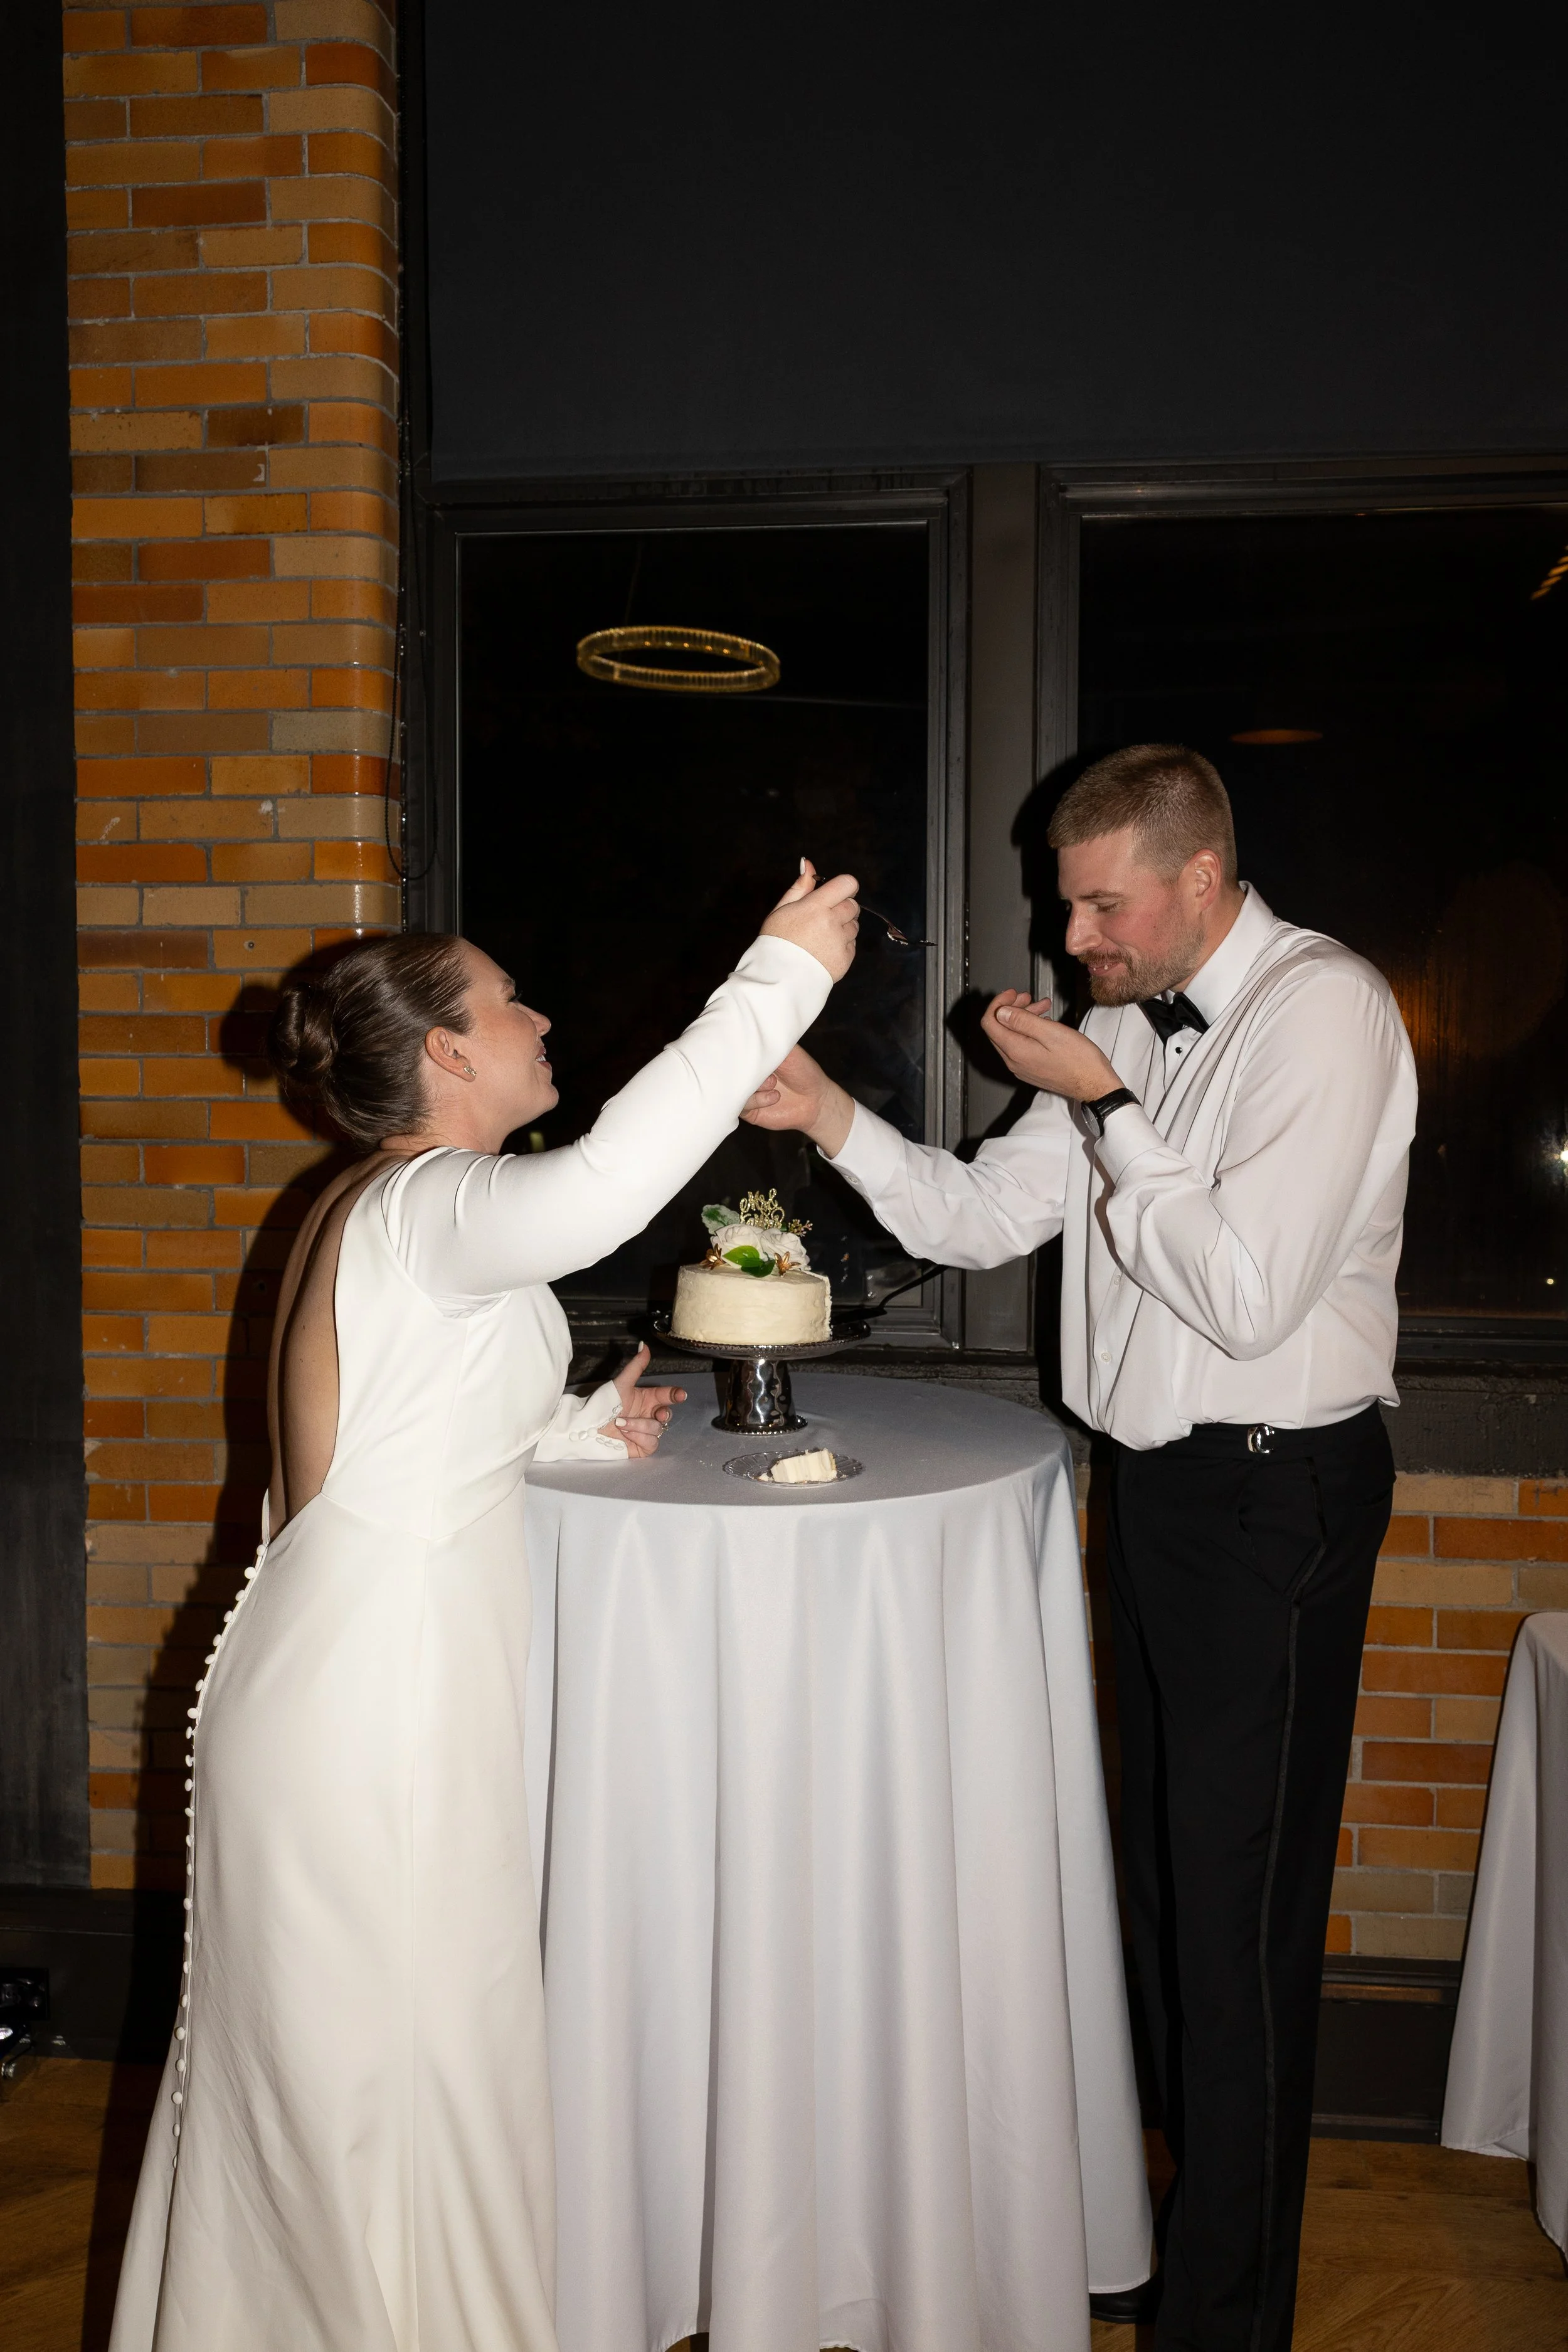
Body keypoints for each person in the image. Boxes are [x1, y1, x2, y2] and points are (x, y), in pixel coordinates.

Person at [107, 864, 860, 2352]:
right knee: (389, 2092)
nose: (540, 1015)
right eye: (508, 1000)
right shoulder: (433, 1202)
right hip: (371, 1708)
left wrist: (564, 1434)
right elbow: (604, 1189)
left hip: (357, 1679)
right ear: (446, 1053)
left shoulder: (382, 1209)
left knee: (385, 2088)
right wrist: (775, 976)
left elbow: (379, 1445)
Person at [743, 746, 1417, 2352]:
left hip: (1278, 1489)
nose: (1075, 937)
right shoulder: (1118, 1021)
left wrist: (1107, 1108)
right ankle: (1165, 2239)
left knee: (1239, 1922)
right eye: (1067, 902)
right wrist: (829, 1113)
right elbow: (978, 1220)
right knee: (1159, 1895)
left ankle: (1224, 2319)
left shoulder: (1323, 1010)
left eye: (1102, 902)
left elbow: (1243, 1297)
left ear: (1198, 880)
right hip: (1162, 1492)